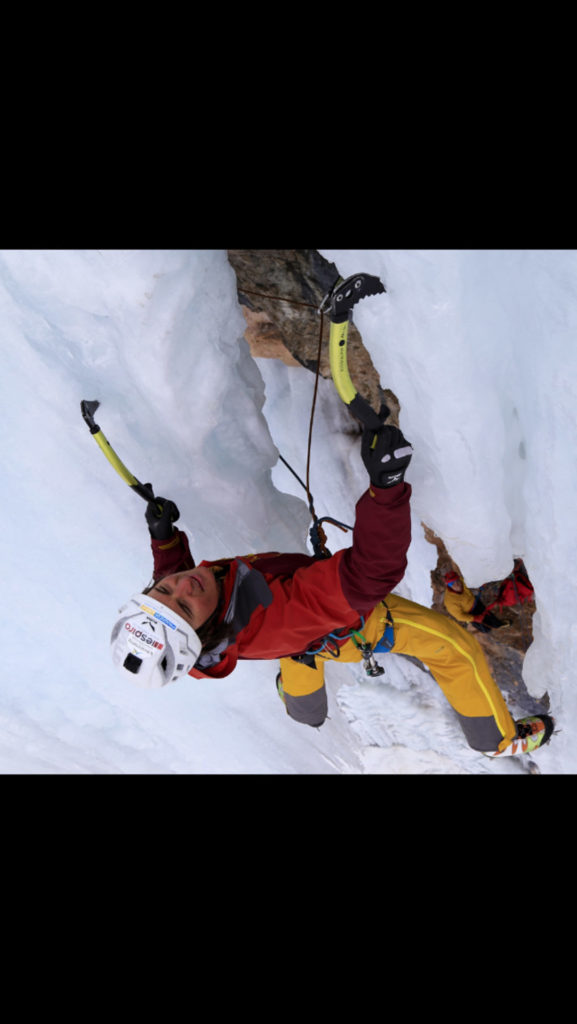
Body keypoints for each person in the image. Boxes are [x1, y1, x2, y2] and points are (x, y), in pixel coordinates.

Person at [111, 422, 553, 759]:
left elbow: (175, 595)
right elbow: (370, 575)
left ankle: (300, 703)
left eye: (162, 590)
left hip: (296, 635)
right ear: (205, 632)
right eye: (185, 606)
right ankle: (497, 740)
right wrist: (386, 491)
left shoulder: (192, 629)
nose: (182, 585)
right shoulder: (279, 614)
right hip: (347, 625)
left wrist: (165, 541)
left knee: (300, 657)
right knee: (456, 650)